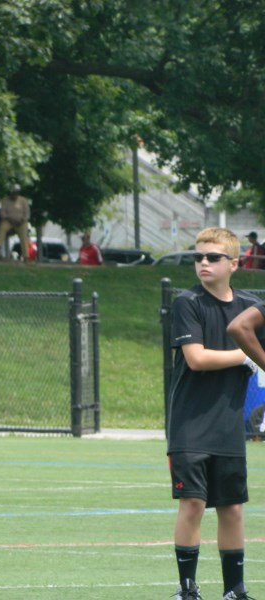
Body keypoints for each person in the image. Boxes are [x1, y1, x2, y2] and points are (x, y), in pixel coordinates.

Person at [166, 227, 259, 600]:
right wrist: (246, 356)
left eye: (213, 257)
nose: (203, 263)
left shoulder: (250, 306)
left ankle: (234, 590)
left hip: (228, 425)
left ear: (234, 263)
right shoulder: (187, 303)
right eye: (198, 257)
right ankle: (187, 589)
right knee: (193, 503)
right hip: (189, 424)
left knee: (232, 509)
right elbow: (197, 358)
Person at [0, 184, 31, 261]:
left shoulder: (23, 200)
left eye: (16, 193)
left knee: (24, 236)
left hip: (20, 222)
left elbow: (27, 213)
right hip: (9, 221)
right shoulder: (5, 200)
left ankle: (26, 256)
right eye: (13, 193)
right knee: (2, 228)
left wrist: (22, 220)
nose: (15, 195)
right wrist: (10, 219)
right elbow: (2, 213)